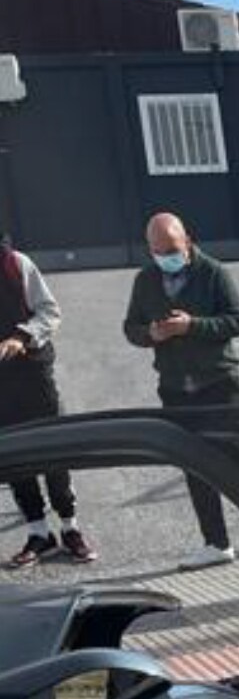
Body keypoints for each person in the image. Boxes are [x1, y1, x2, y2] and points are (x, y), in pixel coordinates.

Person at [123, 212, 239, 571]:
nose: (167, 257)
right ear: (149, 249)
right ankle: (216, 542)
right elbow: (130, 327)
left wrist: (191, 326)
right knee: (195, 466)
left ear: (188, 242)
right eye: (159, 251)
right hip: (176, 389)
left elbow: (237, 321)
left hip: (219, 383)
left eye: (173, 249)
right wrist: (152, 334)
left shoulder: (213, 272)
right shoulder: (145, 280)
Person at [0, 233, 95, 568]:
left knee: (54, 449)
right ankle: (39, 534)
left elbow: (49, 311)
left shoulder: (15, 264)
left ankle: (70, 528)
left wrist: (20, 336)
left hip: (32, 374)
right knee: (13, 457)